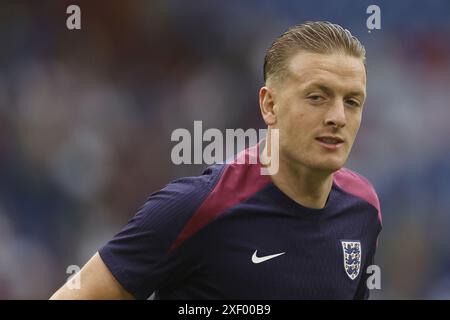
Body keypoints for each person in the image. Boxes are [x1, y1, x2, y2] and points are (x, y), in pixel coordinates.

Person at [50, 21, 382, 300]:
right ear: (269, 106)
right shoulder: (196, 207)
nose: (337, 116)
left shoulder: (363, 209)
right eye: (317, 97)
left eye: (352, 101)